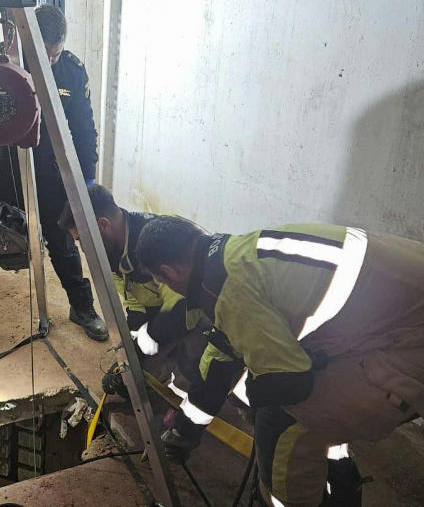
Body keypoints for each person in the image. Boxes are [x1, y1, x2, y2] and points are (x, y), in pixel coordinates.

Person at [136, 217, 424, 506]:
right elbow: (225, 353)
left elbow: (290, 382)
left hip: (408, 345)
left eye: (162, 281)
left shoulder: (229, 290)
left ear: (170, 271)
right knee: (300, 394)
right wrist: (188, 426)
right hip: (393, 318)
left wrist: (258, 393)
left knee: (282, 422)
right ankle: (339, 485)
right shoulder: (239, 253)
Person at [0, 4, 106, 348]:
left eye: (56, 54)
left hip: (50, 169)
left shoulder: (72, 72)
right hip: (2, 164)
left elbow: (84, 129)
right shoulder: (3, 65)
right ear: (27, 44)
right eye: (44, 55)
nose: (52, 61)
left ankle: (82, 308)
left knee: (61, 240)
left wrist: (87, 179)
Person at [57, 185, 208, 395]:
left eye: (80, 240)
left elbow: (181, 310)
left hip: (203, 318)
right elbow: (134, 301)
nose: (81, 248)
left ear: (102, 224)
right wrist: (132, 348)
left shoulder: (157, 244)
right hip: (165, 317)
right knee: (129, 384)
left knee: (190, 382)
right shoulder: (110, 251)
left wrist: (143, 347)